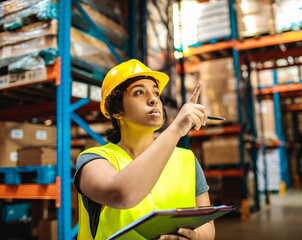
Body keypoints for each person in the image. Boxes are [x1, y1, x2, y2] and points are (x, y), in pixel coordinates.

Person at [74, 59, 215, 240]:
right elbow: (123, 195)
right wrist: (176, 130)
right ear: (116, 109)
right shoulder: (93, 160)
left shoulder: (187, 160)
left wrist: (193, 236)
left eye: (156, 93)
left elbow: (208, 227)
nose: (153, 99)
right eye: (139, 92)